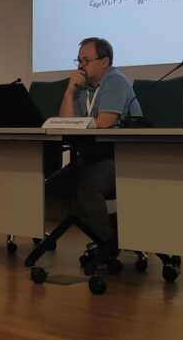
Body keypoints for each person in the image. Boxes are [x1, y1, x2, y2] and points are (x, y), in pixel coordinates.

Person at [45, 36, 141, 245]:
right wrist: (69, 93)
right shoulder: (82, 88)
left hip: (120, 158)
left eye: (86, 61)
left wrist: (78, 124)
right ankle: (104, 231)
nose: (80, 66)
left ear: (104, 62)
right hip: (91, 157)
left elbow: (105, 122)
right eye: (78, 61)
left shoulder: (115, 80)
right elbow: (64, 124)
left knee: (87, 185)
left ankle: (108, 245)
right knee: (49, 189)